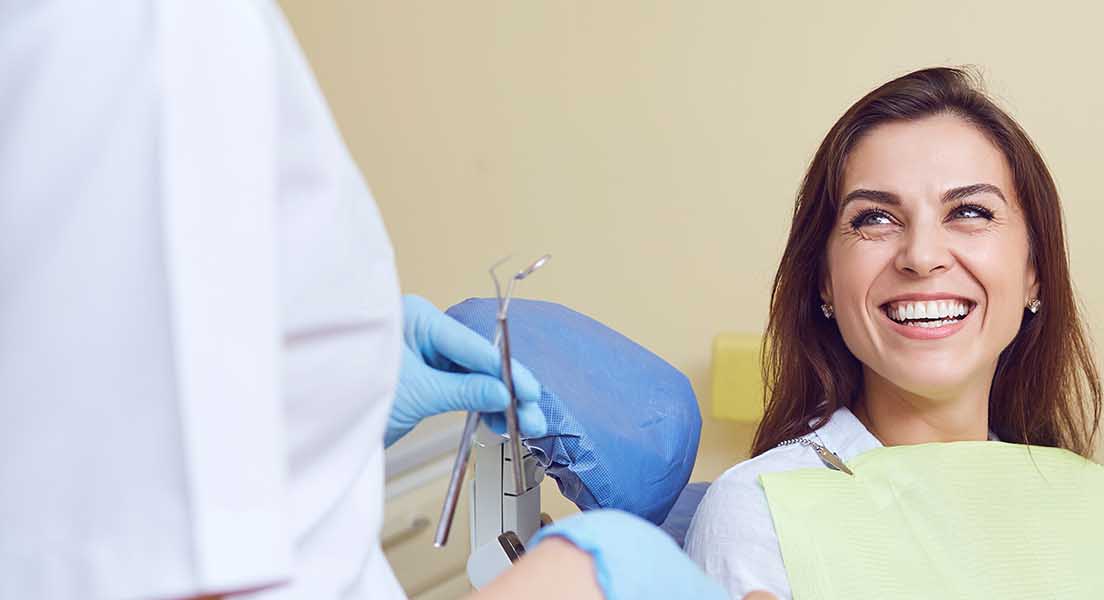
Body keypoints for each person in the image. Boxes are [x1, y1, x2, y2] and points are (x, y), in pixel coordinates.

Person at [0, 1, 754, 598]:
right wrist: (581, 578)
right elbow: (135, 541)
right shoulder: (151, 31)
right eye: (865, 218)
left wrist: (336, 399)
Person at [684, 66, 1104, 598]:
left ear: (1033, 273)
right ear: (825, 283)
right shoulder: (760, 512)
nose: (922, 256)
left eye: (970, 211)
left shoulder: (1084, 510)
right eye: (875, 219)